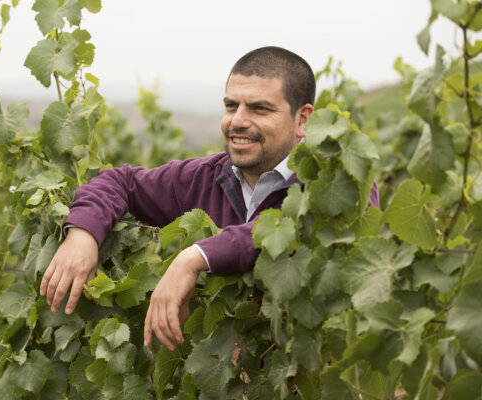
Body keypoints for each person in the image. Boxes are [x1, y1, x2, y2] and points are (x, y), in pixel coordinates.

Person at [40, 46, 379, 351]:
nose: (238, 121)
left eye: (260, 109)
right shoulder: (207, 176)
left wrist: (194, 257)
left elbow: (285, 227)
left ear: (302, 119)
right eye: (231, 106)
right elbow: (122, 181)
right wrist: (83, 233)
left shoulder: (337, 181)